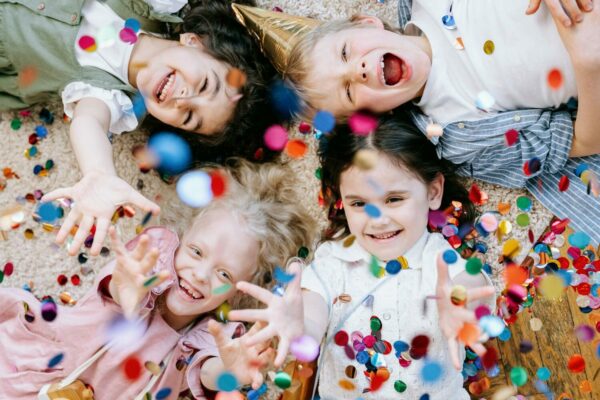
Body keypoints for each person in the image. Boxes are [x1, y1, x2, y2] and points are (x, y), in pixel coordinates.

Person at [233, 0, 600, 243]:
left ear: (366, 21)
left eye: (345, 52)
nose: (358, 70)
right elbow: (585, 142)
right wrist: (588, 64)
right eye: (348, 91)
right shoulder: (458, 134)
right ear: (374, 117)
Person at [228, 113, 496, 399]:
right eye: (359, 203)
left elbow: (470, 282)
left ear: (433, 192)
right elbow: (311, 318)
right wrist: (297, 327)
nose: (377, 219)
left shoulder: (438, 256)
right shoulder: (333, 261)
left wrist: (462, 303)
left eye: (394, 199)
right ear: (342, 202)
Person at [0, 159, 317, 400]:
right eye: (196, 251)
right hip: (38, 367)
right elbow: (119, 287)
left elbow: (207, 369)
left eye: (224, 273)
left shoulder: (219, 332)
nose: (201, 275)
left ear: (242, 286)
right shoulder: (157, 253)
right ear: (183, 233)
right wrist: (127, 290)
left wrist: (230, 371)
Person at [0, 0, 279, 256]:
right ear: (197, 41)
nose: (184, 100)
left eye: (190, 117)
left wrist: (99, 173)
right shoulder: (158, 6)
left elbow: (89, 123)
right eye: (205, 84)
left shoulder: (109, 96)